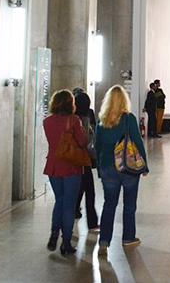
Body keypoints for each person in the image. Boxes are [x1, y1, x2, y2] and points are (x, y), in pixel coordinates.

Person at [95, 85, 148, 257]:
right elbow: (138, 142)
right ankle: (128, 238)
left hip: (108, 167)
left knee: (109, 204)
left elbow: (98, 146)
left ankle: (104, 241)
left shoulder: (101, 121)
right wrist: (144, 165)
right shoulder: (128, 118)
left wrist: (99, 169)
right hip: (127, 166)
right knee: (129, 205)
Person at [43, 89, 88, 256]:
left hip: (53, 166)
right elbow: (83, 141)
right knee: (69, 205)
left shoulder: (47, 121)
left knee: (59, 201)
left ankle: (54, 233)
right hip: (71, 166)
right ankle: (66, 242)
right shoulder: (74, 120)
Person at [73, 89, 99, 232]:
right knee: (89, 190)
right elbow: (87, 142)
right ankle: (92, 222)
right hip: (83, 160)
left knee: (79, 188)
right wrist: (95, 157)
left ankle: (74, 212)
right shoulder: (83, 119)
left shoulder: (70, 117)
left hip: (71, 160)